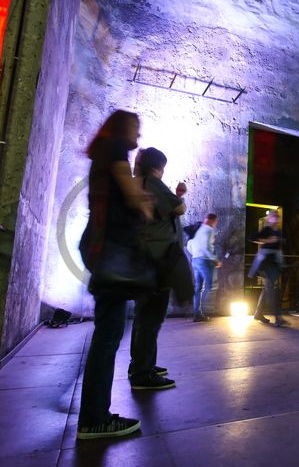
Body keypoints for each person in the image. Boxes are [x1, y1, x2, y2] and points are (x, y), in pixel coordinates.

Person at [77, 110, 151, 440]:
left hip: (99, 246)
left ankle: (95, 415)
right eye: (136, 128)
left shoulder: (103, 152)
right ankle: (95, 419)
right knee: (108, 337)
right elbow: (134, 198)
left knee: (107, 334)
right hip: (110, 251)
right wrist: (145, 201)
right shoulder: (117, 148)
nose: (138, 136)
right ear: (124, 128)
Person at [128, 147, 188, 391]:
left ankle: (141, 365)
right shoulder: (152, 182)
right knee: (151, 318)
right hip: (157, 261)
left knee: (144, 318)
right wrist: (180, 196)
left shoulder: (139, 183)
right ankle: (143, 373)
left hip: (144, 260)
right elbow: (178, 208)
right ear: (158, 167)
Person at [248, 210, 288, 326]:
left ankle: (258, 313)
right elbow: (252, 237)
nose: (275, 218)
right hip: (265, 264)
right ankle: (278, 317)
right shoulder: (266, 230)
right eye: (273, 216)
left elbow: (281, 244)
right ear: (269, 218)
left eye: (277, 216)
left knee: (267, 289)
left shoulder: (279, 232)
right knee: (271, 290)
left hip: (274, 263)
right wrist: (267, 240)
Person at [188, 213, 221, 322]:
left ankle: (197, 314)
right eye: (216, 222)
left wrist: (195, 254)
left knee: (198, 288)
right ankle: (207, 309)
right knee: (211, 286)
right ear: (213, 220)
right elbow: (206, 247)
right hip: (205, 261)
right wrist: (214, 259)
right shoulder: (209, 230)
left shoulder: (197, 229)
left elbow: (189, 245)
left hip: (196, 260)